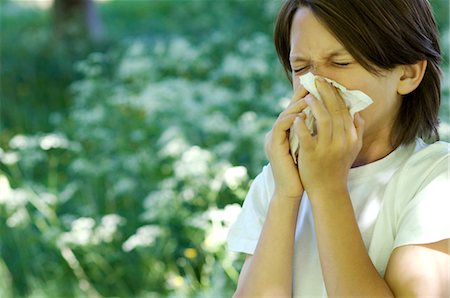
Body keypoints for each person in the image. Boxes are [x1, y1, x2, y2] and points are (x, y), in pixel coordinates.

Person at [227, 0, 450, 296]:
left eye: (341, 63)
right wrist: (285, 195)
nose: (317, 83)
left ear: (407, 74)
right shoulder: (278, 182)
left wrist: (328, 189)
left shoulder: (435, 179)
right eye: (301, 67)